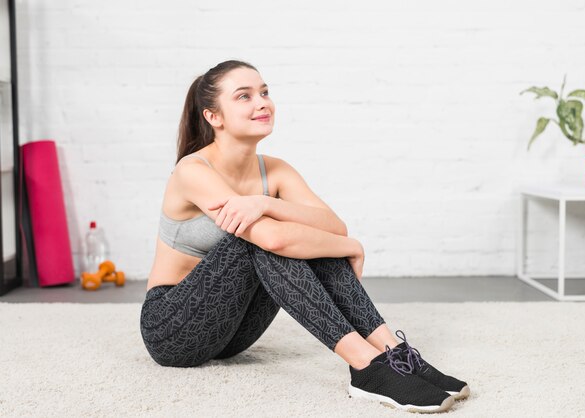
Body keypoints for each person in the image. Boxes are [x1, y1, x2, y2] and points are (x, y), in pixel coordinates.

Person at [140, 60, 469, 414]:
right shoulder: (193, 171)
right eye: (244, 96)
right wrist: (350, 248)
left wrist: (264, 202)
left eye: (264, 92)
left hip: (233, 333)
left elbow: (331, 224)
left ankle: (394, 353)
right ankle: (364, 365)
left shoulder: (275, 171)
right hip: (173, 330)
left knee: (297, 237)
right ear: (213, 117)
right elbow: (278, 240)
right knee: (258, 240)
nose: (262, 102)